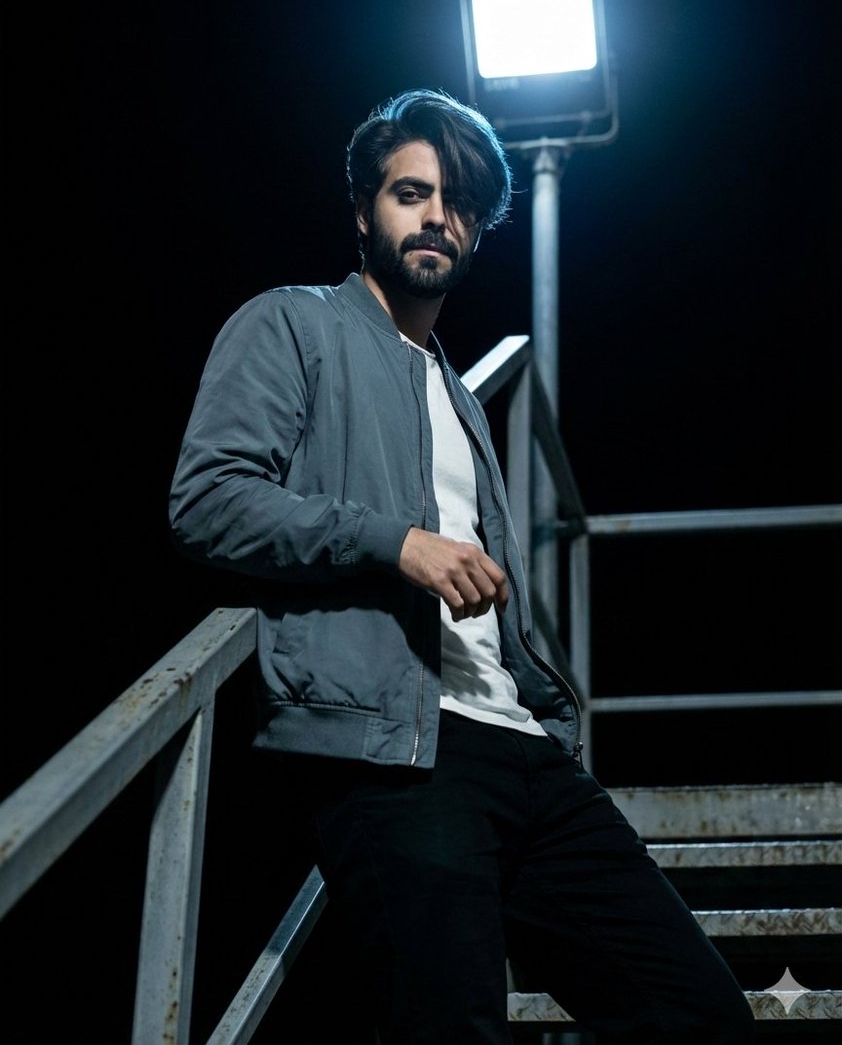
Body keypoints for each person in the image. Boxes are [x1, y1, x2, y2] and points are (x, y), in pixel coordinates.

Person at [168, 88, 755, 1044]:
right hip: (397, 754)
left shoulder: (459, 391)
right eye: (411, 192)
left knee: (698, 1012)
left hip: (520, 748)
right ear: (364, 210)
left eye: (461, 201)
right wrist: (395, 541)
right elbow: (208, 499)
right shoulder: (292, 325)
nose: (437, 216)